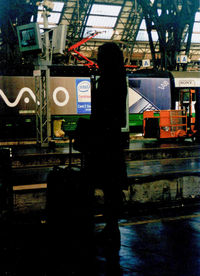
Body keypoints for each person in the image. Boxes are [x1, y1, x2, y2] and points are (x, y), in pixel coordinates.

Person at [89, 42, 128, 245]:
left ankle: (111, 229)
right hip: (111, 142)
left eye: (99, 56)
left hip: (106, 143)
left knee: (108, 187)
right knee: (110, 187)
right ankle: (112, 228)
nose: (97, 60)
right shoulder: (118, 80)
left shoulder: (109, 82)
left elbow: (108, 115)